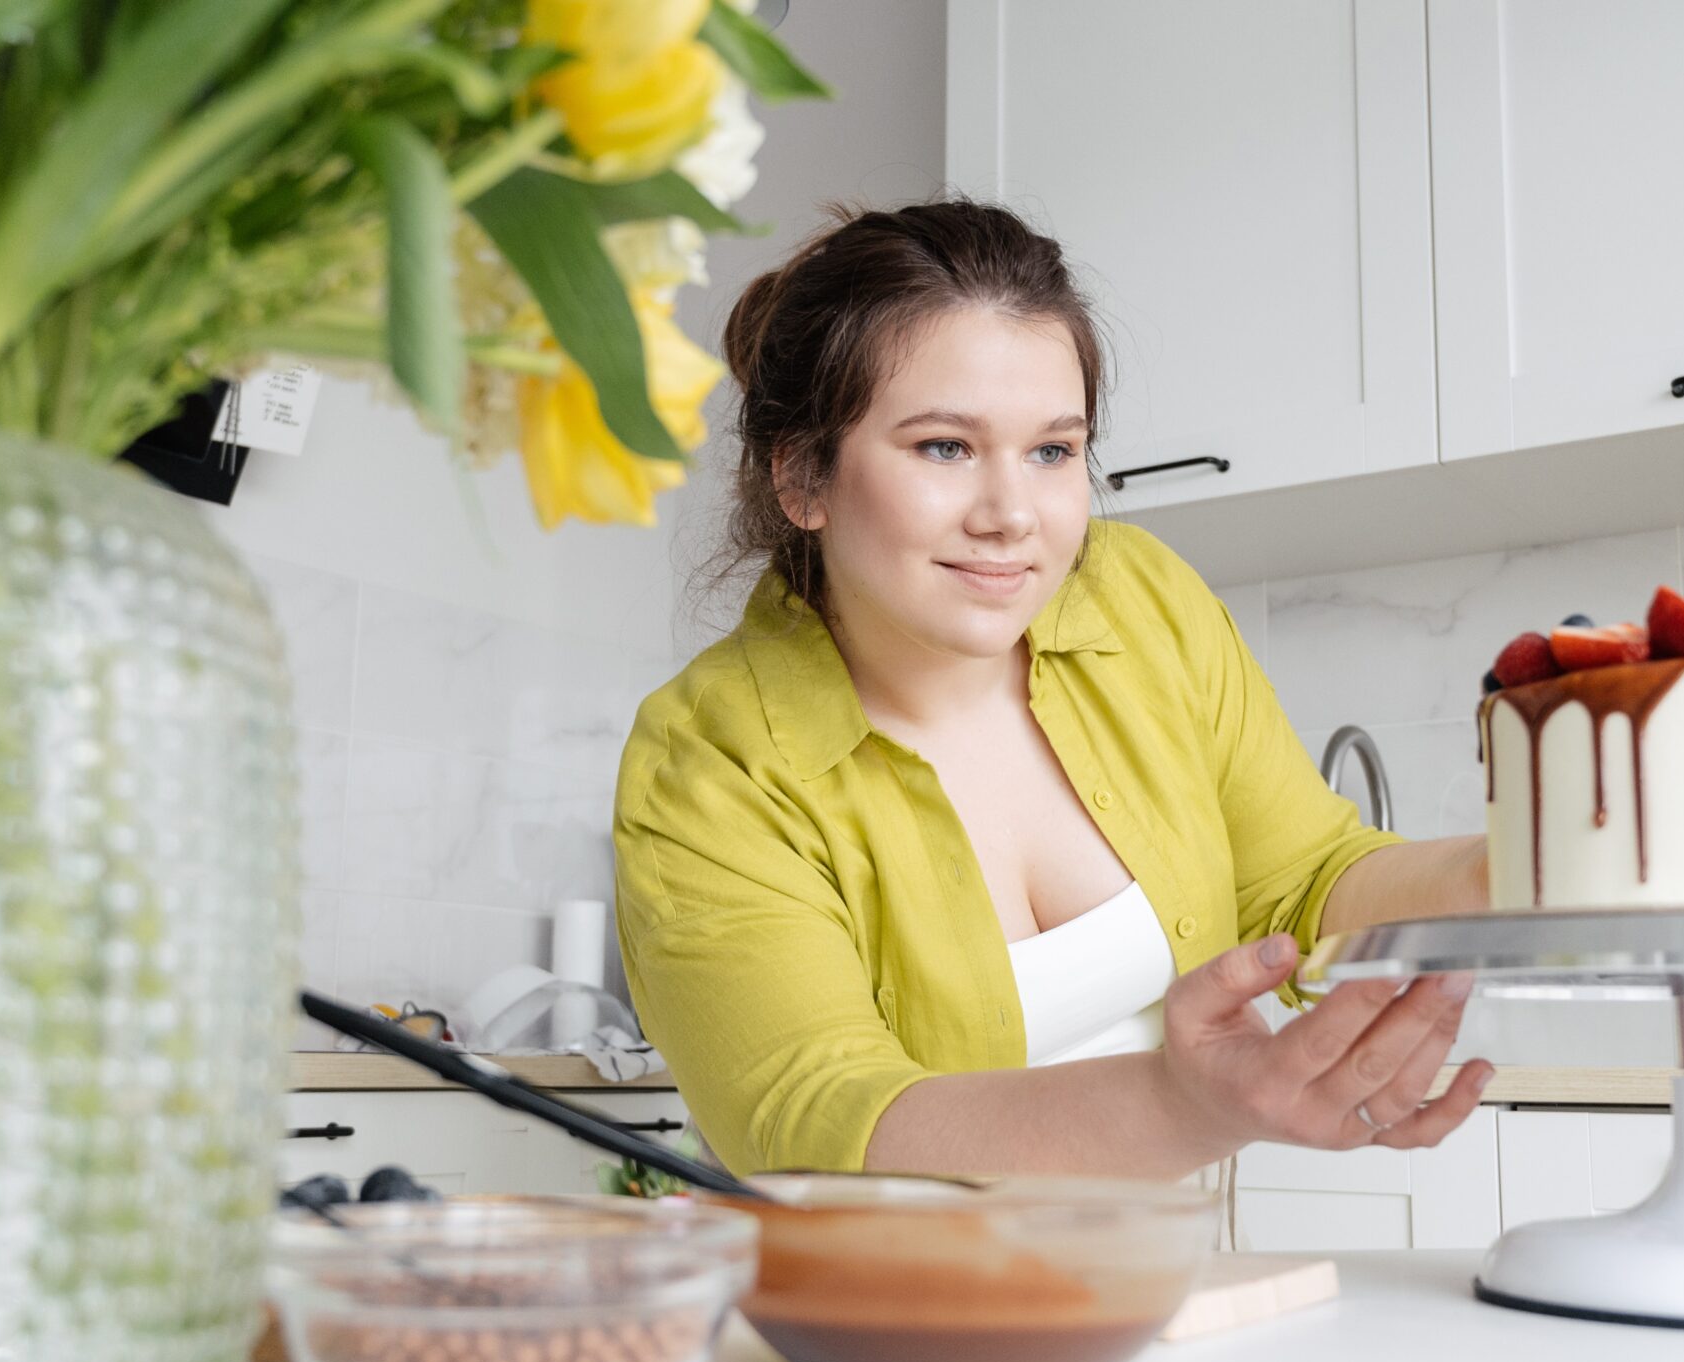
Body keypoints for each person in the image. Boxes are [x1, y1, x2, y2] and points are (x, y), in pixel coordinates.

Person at [614, 199, 1493, 1181]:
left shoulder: (1138, 597)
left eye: (1052, 451)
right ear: (802, 479)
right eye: (944, 447)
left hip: (1155, 1285)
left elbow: (1303, 878)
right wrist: (1179, 1101)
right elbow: (815, 1114)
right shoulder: (709, 756)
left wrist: (1522, 871)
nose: (1011, 516)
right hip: (893, 1324)